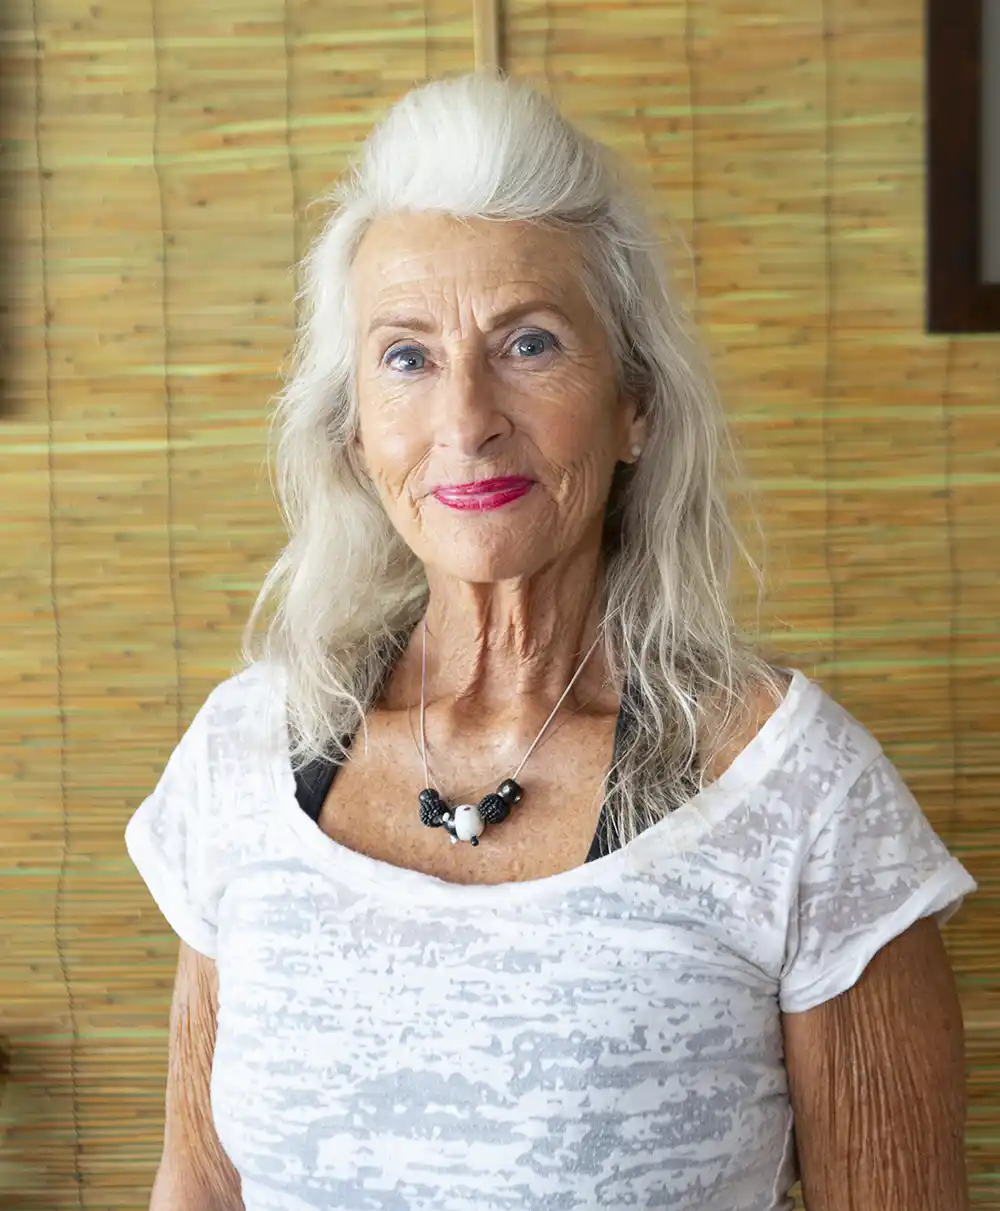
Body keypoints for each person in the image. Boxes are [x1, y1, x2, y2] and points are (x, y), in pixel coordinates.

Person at [125, 69, 978, 1211]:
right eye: (407, 356)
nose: (466, 419)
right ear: (354, 431)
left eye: (528, 343)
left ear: (636, 405)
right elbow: (199, 1180)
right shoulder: (243, 756)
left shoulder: (797, 794)